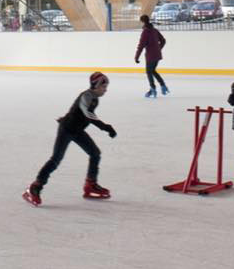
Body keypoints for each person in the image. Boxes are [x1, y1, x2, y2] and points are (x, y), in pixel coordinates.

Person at [22, 71, 116, 206]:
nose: (105, 90)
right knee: (56, 159)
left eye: (106, 87)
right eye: (103, 87)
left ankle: (90, 185)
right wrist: (105, 127)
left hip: (77, 131)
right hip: (66, 129)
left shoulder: (95, 98)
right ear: (95, 86)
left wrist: (104, 127)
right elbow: (88, 113)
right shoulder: (86, 96)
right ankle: (34, 187)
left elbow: (89, 114)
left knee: (95, 153)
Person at [135, 14, 169, 98]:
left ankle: (153, 88)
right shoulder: (155, 30)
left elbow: (141, 46)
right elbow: (163, 41)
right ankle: (163, 85)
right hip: (157, 55)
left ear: (142, 22)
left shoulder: (145, 32)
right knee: (152, 71)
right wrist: (158, 49)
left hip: (150, 56)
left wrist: (136, 57)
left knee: (149, 72)